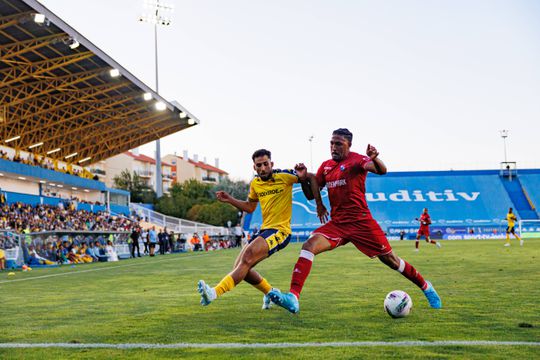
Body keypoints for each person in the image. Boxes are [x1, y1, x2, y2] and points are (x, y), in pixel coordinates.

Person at [269, 128, 442, 313]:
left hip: (361, 223)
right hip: (338, 224)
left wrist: (375, 157)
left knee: (391, 260)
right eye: (331, 143)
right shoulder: (326, 166)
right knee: (308, 246)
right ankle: (293, 297)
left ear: (349, 145)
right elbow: (311, 194)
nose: (333, 147)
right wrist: (304, 180)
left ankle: (426, 287)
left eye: (338, 144)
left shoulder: (357, 160)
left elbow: (381, 170)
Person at [197, 148, 325, 309]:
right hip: (265, 230)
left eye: (265, 164)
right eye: (259, 165)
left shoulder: (285, 176)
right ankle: (270, 293)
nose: (263, 168)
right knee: (241, 268)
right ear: (254, 167)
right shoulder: (255, 184)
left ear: (272, 163)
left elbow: (310, 180)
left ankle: (213, 293)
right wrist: (230, 199)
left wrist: (315, 197)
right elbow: (250, 207)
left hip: (281, 231)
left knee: (247, 258)